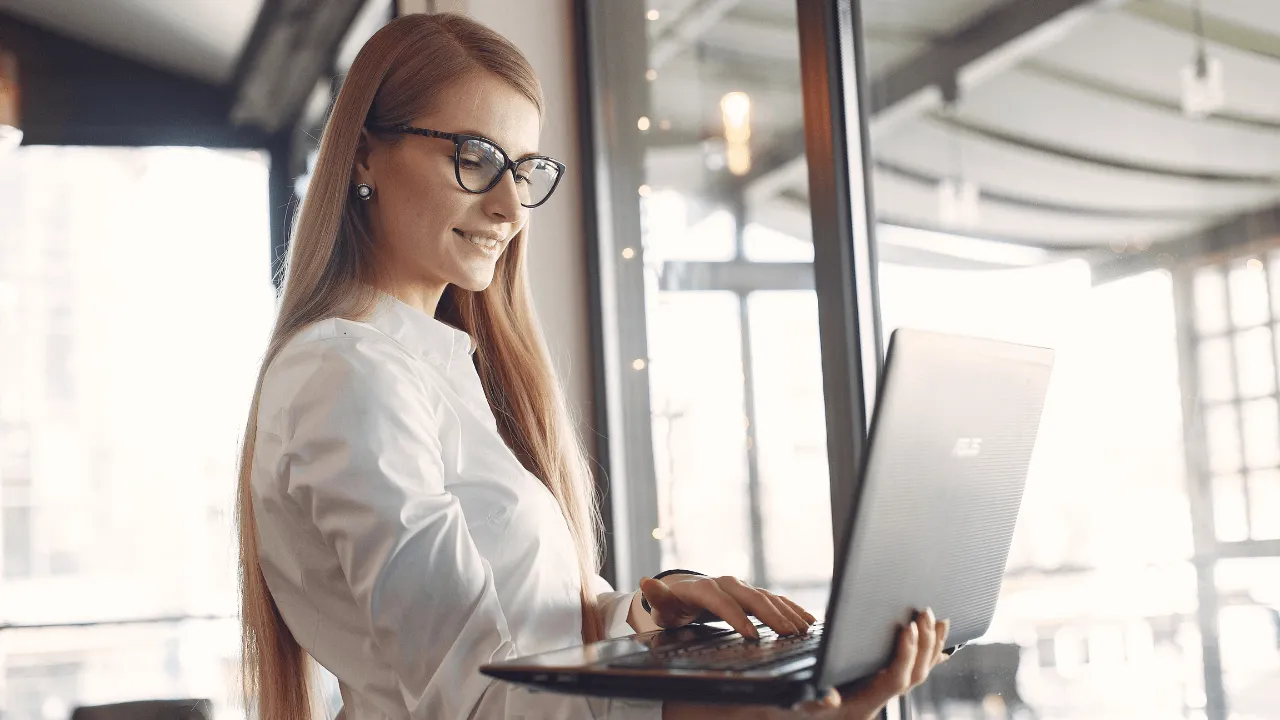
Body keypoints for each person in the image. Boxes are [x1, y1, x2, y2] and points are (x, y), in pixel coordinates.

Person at [234, 13, 948, 720]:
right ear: (364, 156)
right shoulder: (349, 374)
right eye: (475, 157)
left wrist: (637, 614)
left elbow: (523, 640)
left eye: (523, 169)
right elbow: (477, 701)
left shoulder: (432, 367)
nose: (511, 206)